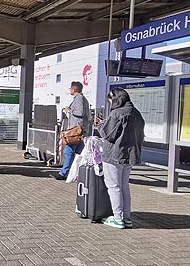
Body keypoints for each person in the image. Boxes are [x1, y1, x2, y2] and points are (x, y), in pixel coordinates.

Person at [96, 88, 145, 229]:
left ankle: (117, 219)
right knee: (124, 187)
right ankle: (127, 218)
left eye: (111, 100)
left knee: (114, 187)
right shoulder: (136, 113)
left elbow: (108, 134)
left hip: (114, 155)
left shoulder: (117, 113)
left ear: (116, 99)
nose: (110, 103)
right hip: (129, 155)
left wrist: (100, 125)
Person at [55, 81, 91, 180]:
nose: (70, 90)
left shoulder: (79, 99)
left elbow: (79, 112)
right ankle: (78, 173)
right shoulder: (82, 99)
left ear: (74, 90)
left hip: (76, 131)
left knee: (69, 150)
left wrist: (69, 110)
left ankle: (64, 173)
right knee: (80, 152)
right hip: (81, 130)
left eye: (70, 88)